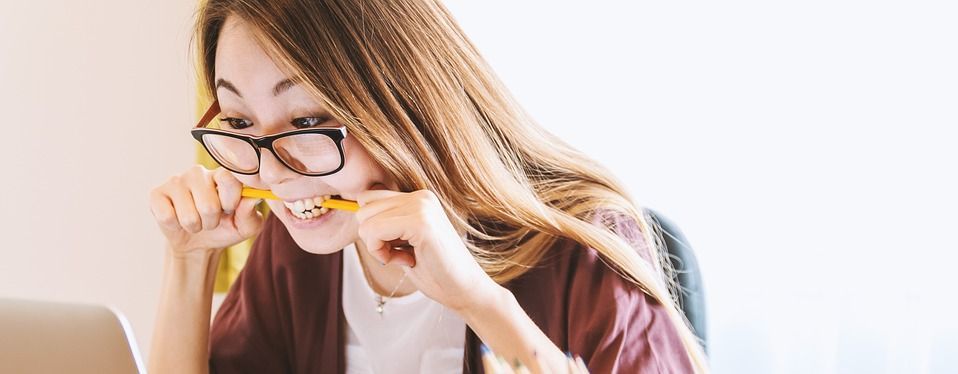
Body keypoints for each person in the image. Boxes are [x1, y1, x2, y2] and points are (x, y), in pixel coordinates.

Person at [148, 0, 707, 373]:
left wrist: (478, 301)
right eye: (242, 123)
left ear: (404, 102)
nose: (271, 173)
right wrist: (189, 264)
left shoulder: (582, 251)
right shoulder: (300, 249)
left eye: (308, 122)